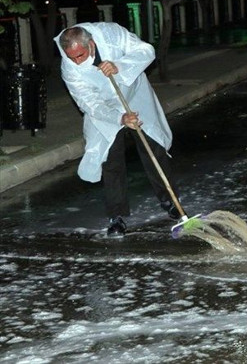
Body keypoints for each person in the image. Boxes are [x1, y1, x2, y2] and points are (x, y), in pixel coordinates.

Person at [54, 22, 180, 236]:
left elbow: (146, 51)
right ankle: (117, 215)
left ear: (91, 44)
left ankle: (171, 201)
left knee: (153, 148)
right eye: (71, 57)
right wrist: (119, 118)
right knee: (111, 160)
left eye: (81, 55)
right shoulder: (69, 68)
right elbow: (89, 104)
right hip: (105, 110)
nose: (76, 61)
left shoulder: (111, 33)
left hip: (133, 94)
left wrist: (119, 65)